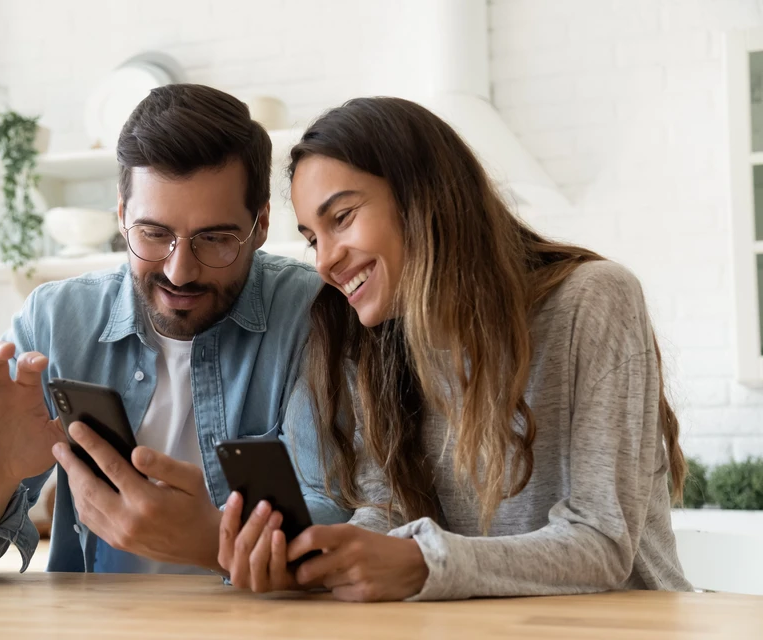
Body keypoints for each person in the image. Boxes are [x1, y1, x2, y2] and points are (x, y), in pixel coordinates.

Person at [218, 96, 693, 601]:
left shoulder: (594, 300)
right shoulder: (379, 345)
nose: (326, 262)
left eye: (343, 217)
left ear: (422, 196)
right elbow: (388, 511)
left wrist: (423, 562)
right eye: (313, 239)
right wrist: (326, 558)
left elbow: (602, 543)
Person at [0, 84, 348, 576]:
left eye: (215, 239)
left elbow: (339, 518)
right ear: (121, 216)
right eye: (154, 234)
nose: (180, 271)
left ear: (260, 224)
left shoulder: (314, 315)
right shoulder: (54, 321)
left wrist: (211, 538)